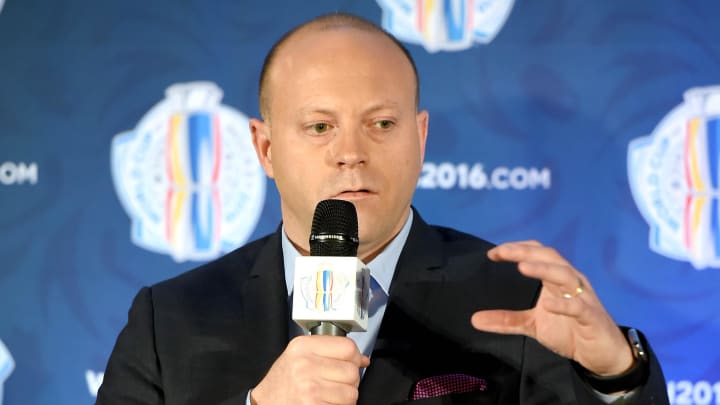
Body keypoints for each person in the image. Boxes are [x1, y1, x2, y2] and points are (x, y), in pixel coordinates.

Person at [96, 12, 669, 405]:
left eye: (382, 125)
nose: (351, 154)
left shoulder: (517, 302)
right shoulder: (167, 320)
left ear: (420, 139)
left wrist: (616, 375)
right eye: (320, 127)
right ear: (265, 148)